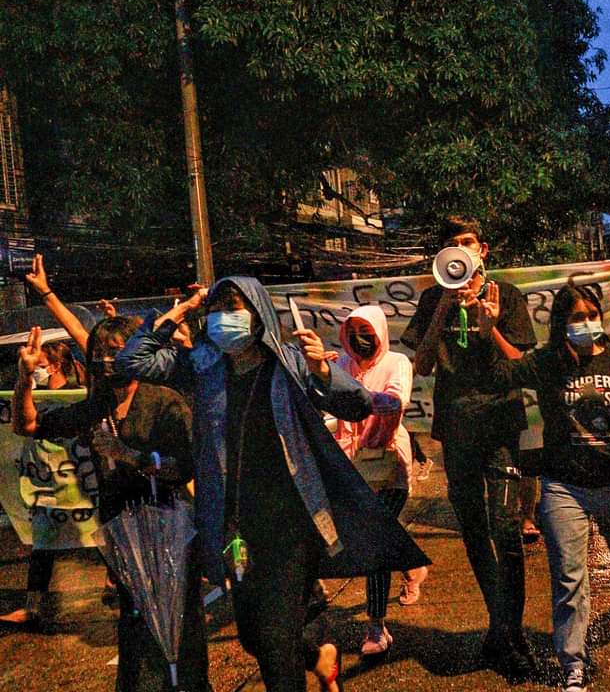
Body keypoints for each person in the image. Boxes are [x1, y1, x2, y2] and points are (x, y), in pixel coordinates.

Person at [116, 277, 429, 692]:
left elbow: (355, 406)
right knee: (252, 634)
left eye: (235, 307)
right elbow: (131, 362)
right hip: (234, 525)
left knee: (276, 638)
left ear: (258, 312)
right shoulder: (203, 369)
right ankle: (317, 653)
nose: (224, 317)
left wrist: (321, 369)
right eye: (217, 309)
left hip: (290, 523)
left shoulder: (290, 363)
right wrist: (182, 309)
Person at [483, 282, 610, 692]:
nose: (585, 323)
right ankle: (573, 663)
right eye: (576, 317)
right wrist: (487, 330)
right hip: (563, 485)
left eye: (590, 315)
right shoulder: (549, 363)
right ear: (562, 324)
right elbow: (501, 374)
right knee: (568, 575)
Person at [13, 321, 211, 691]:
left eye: (116, 351)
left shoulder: (164, 401)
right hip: (122, 535)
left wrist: (131, 456)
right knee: (135, 625)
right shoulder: (96, 407)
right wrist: (25, 378)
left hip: (170, 529)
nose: (107, 360)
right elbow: (27, 425)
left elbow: (184, 466)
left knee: (181, 625)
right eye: (100, 353)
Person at [400, 217, 537, 676]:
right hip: (455, 431)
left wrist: (489, 326)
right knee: (474, 531)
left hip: (499, 429)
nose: (459, 250)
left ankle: (510, 633)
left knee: (506, 528)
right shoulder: (430, 300)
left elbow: (522, 363)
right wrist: (443, 304)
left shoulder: (508, 297)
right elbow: (419, 365)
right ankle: (500, 630)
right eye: (450, 245)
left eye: (466, 243)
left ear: (484, 250)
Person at [332, 304, 429, 656]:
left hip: (388, 465)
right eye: (353, 331)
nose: (359, 339)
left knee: (373, 540)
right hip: (351, 464)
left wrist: (354, 397)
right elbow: (328, 406)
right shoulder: (341, 365)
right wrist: (323, 374)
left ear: (380, 333)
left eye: (366, 332)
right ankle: (411, 562)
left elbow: (394, 401)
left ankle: (376, 626)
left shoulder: (397, 362)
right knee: (381, 534)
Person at [0, 340, 86, 628]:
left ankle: (126, 588)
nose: (36, 370)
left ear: (56, 365)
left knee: (100, 537)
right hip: (44, 485)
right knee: (42, 547)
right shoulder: (33, 395)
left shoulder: (74, 397)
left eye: (39, 365)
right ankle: (32, 607)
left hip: (77, 483)